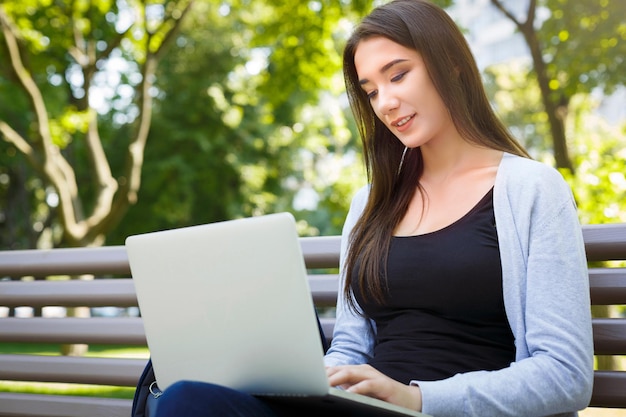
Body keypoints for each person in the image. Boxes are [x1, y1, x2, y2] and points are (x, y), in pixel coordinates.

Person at [153, 0, 594, 416]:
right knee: (187, 399)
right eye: (370, 91)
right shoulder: (372, 202)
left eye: (398, 76)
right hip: (360, 410)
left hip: (441, 410)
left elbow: (566, 373)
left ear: (452, 65)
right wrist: (325, 379)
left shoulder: (531, 189)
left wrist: (416, 398)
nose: (384, 103)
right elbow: (351, 346)